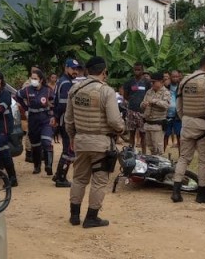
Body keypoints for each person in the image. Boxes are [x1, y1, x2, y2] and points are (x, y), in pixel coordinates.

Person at [64, 56, 125, 228]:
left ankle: (74, 216)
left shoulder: (75, 90)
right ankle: (91, 217)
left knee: (79, 179)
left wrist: (72, 138)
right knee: (99, 181)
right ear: (104, 71)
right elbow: (114, 120)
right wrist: (122, 129)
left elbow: (68, 120)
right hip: (101, 144)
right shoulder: (107, 91)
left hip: (81, 141)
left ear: (87, 71)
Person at [171, 55, 205, 203]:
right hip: (204, 125)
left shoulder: (184, 81)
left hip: (187, 123)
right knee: (204, 160)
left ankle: (176, 191)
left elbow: (178, 105)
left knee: (184, 157)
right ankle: (201, 193)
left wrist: (185, 118)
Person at [15, 69, 56, 175]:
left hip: (45, 119)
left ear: (41, 80)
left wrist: (52, 115)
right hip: (33, 120)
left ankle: (48, 166)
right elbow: (17, 96)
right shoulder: (27, 90)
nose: (33, 80)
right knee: (35, 145)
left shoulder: (47, 90)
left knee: (46, 142)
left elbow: (54, 102)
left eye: (35, 78)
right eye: (32, 78)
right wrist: (25, 108)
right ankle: (37, 166)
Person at [52, 58, 82, 188]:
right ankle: (61, 178)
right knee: (69, 150)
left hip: (62, 119)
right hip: (66, 121)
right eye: (73, 68)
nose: (75, 71)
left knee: (67, 148)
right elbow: (64, 104)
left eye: (76, 69)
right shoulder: (66, 84)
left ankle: (58, 174)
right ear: (66, 68)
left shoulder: (62, 81)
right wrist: (59, 117)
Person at [140, 72, 171, 155]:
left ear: (161, 81)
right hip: (148, 123)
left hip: (158, 125)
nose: (152, 83)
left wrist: (154, 101)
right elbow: (142, 104)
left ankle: (160, 166)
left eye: (154, 82)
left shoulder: (166, 92)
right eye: (151, 82)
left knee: (158, 150)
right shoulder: (149, 92)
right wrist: (143, 104)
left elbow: (166, 105)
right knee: (151, 148)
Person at [123, 63, 150, 153]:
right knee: (132, 132)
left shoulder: (147, 82)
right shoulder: (129, 82)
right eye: (135, 69)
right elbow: (125, 95)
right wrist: (132, 101)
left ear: (142, 71)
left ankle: (144, 153)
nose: (137, 71)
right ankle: (131, 152)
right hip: (131, 110)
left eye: (139, 69)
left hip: (142, 112)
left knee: (143, 134)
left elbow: (149, 94)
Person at [22, 65, 41, 163]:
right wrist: (26, 108)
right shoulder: (27, 84)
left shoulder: (40, 82)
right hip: (30, 110)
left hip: (38, 111)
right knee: (30, 132)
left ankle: (36, 152)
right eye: (33, 70)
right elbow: (21, 97)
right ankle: (29, 153)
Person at [164, 70, 182, 152]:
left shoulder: (181, 87)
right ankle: (162, 153)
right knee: (166, 135)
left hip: (178, 116)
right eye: (173, 76)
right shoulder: (166, 87)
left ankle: (180, 156)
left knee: (179, 135)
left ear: (179, 77)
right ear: (170, 77)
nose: (175, 78)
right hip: (167, 115)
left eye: (176, 76)